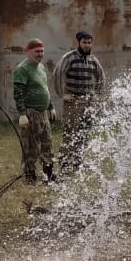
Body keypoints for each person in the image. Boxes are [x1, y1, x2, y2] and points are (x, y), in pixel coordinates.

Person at [53, 31, 106, 173]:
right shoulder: (69, 57)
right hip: (73, 102)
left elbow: (101, 76)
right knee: (69, 132)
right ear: (79, 42)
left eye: (89, 42)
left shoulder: (93, 59)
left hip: (88, 102)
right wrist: (62, 94)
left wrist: (97, 94)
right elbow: (58, 73)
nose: (87, 45)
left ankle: (78, 162)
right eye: (84, 42)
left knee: (84, 132)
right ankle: (64, 164)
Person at [12, 38, 57, 184]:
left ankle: (48, 173)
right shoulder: (23, 69)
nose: (40, 54)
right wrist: (22, 114)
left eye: (42, 51)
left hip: (43, 112)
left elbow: (44, 88)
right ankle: (30, 175)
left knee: (47, 143)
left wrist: (50, 107)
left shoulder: (41, 67)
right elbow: (18, 92)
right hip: (31, 113)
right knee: (31, 145)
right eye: (37, 51)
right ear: (28, 52)